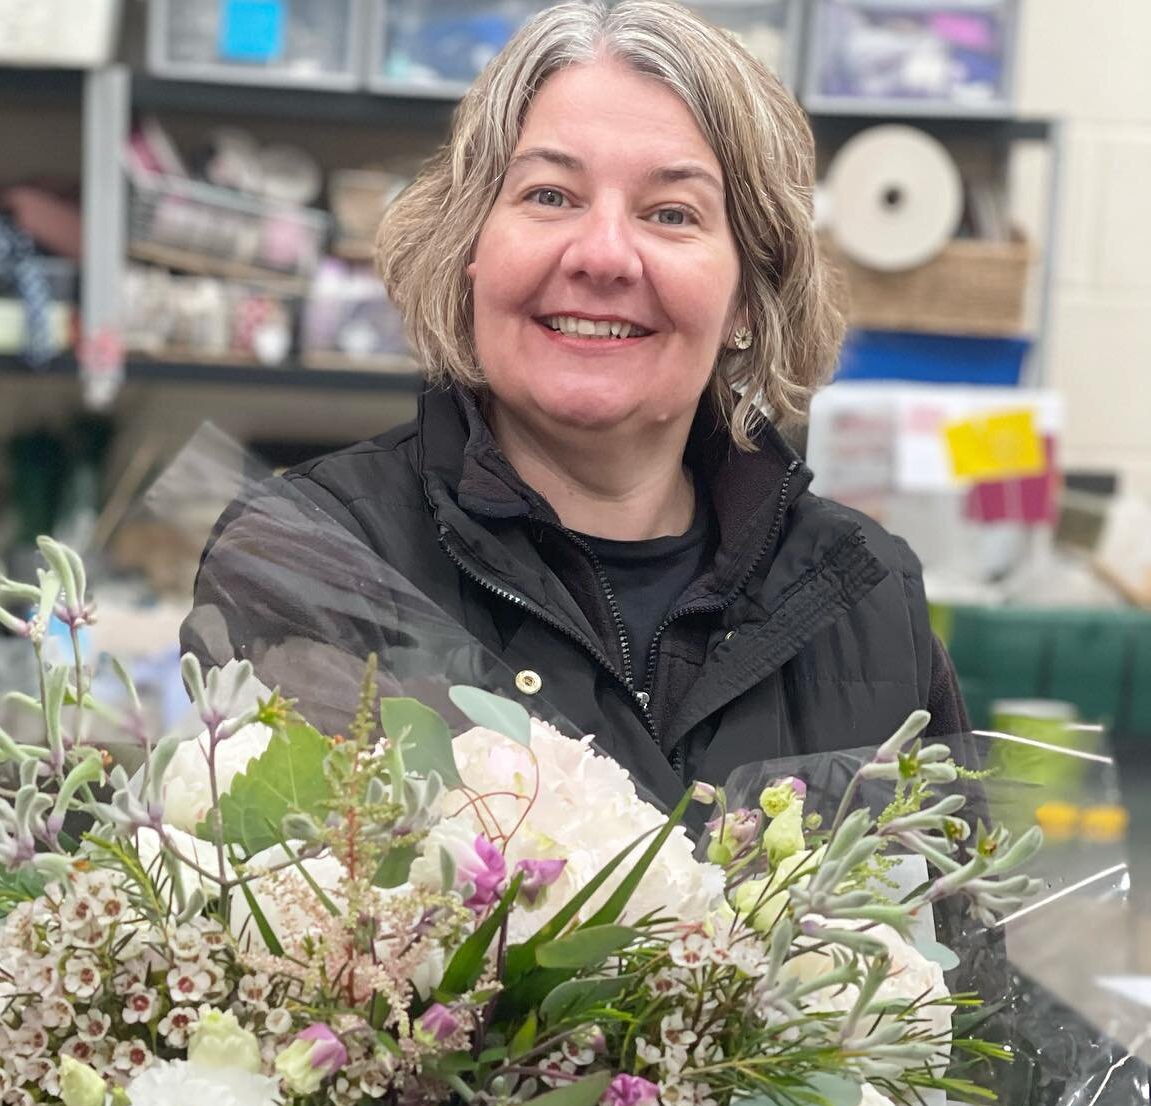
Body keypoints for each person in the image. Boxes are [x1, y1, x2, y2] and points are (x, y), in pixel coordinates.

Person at [187, 0, 968, 802]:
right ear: (471, 249)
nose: (602, 255)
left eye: (672, 213)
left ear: (746, 297)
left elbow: (951, 922)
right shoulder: (316, 559)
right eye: (550, 196)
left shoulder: (865, 595)